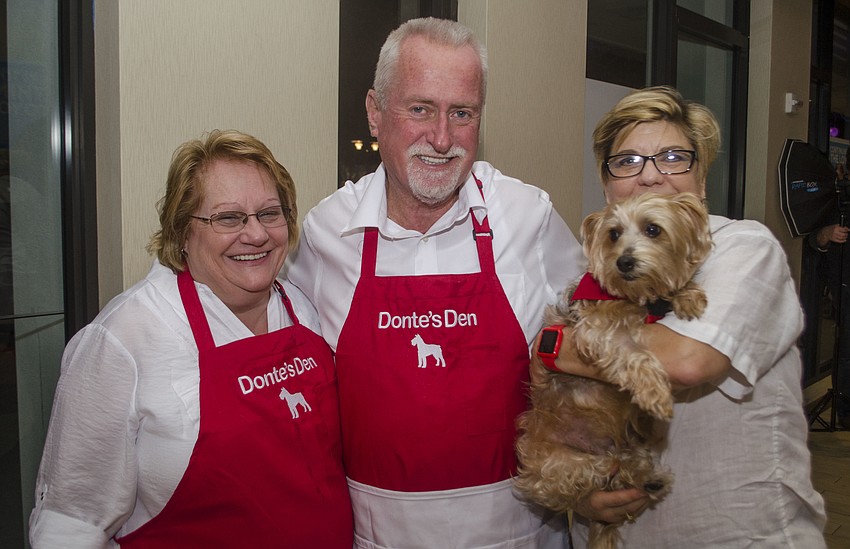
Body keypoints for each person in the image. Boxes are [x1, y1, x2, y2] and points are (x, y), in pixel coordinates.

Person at [284, 17, 584, 549]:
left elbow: (595, 341)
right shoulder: (328, 231)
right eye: (420, 108)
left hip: (517, 534)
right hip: (378, 536)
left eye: (462, 113)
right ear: (375, 113)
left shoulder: (526, 217)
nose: (442, 139)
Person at [29, 130, 353, 548]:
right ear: (182, 232)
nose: (255, 234)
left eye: (270, 213)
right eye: (228, 218)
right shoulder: (123, 338)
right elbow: (70, 525)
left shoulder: (304, 309)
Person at [537, 86, 827, 547]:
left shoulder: (744, 247)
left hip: (740, 530)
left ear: (701, 177)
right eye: (627, 161)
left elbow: (687, 362)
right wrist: (583, 500)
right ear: (607, 183)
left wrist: (565, 346)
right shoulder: (602, 268)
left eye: (673, 157)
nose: (650, 176)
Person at [809, 160, 850, 428]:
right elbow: (815, 240)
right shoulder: (835, 201)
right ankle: (845, 411)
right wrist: (828, 233)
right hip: (844, 283)